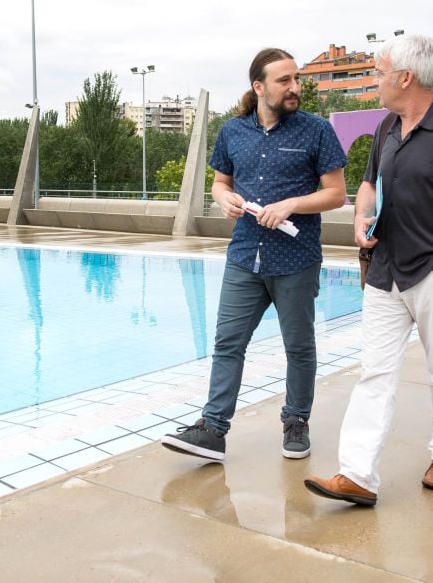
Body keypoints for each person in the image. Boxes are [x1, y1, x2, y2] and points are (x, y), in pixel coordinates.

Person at [161, 48, 347, 461]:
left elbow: (336, 194)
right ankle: (212, 429)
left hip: (296, 259)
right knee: (228, 343)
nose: (295, 87)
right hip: (245, 256)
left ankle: (296, 420)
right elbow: (220, 183)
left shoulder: (316, 131)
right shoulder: (232, 131)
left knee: (298, 347)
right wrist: (225, 199)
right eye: (285, 81)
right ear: (259, 87)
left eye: (297, 79)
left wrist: (290, 205)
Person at [305, 34, 433, 506]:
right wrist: (362, 218)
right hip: (384, 272)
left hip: (430, 268)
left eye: (379, 72)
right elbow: (367, 185)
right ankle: (357, 475)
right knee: (374, 372)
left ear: (406, 77)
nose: (376, 80)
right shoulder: (386, 127)